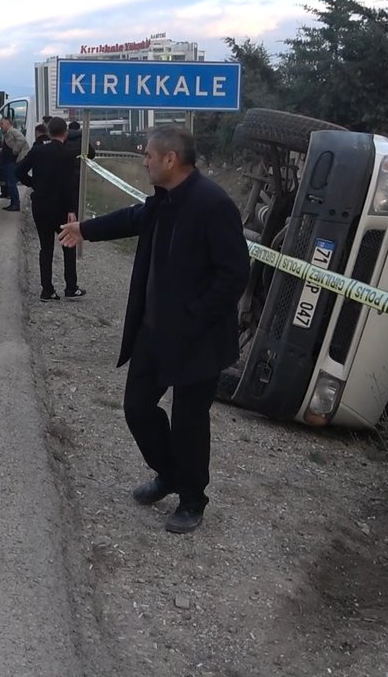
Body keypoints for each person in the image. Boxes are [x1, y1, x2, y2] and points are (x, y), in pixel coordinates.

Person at [57, 125, 249, 534]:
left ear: (170, 160)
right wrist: (84, 229)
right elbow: (132, 218)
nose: (143, 160)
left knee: (189, 423)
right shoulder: (164, 200)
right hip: (155, 332)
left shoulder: (212, 204)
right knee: (137, 409)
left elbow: (234, 275)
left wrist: (195, 316)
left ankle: (192, 500)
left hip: (198, 338)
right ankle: (170, 472)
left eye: (148, 155)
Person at [17, 116, 85, 301]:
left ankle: (47, 290)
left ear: (48, 132)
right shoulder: (68, 154)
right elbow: (69, 184)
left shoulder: (37, 151)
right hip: (62, 208)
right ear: (65, 133)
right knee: (68, 247)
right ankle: (71, 287)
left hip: (41, 205)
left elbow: (19, 171)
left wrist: (34, 184)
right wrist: (71, 209)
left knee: (45, 248)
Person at [0, 115, 28, 211]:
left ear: (8, 123)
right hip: (7, 161)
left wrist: (15, 151)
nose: (0, 126)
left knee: (11, 183)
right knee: (9, 182)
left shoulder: (13, 131)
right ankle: (13, 203)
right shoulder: (6, 134)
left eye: (2, 123)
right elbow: (9, 146)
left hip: (12, 162)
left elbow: (22, 140)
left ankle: (15, 204)